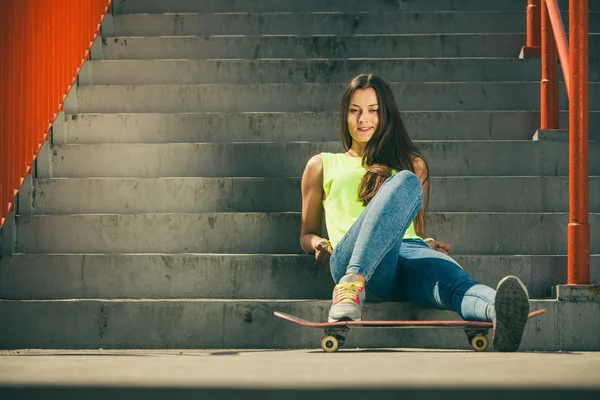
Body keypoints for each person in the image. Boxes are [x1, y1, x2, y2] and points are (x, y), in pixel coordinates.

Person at [299, 73, 531, 352]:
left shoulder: (412, 165)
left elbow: (412, 231)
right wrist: (320, 244)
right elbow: (307, 233)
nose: (363, 119)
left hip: (408, 252)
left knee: (456, 284)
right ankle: (353, 282)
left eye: (373, 111)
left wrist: (428, 243)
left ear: (386, 115)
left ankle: (498, 310)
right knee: (405, 181)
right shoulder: (322, 164)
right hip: (353, 257)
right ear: (344, 115)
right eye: (355, 111)